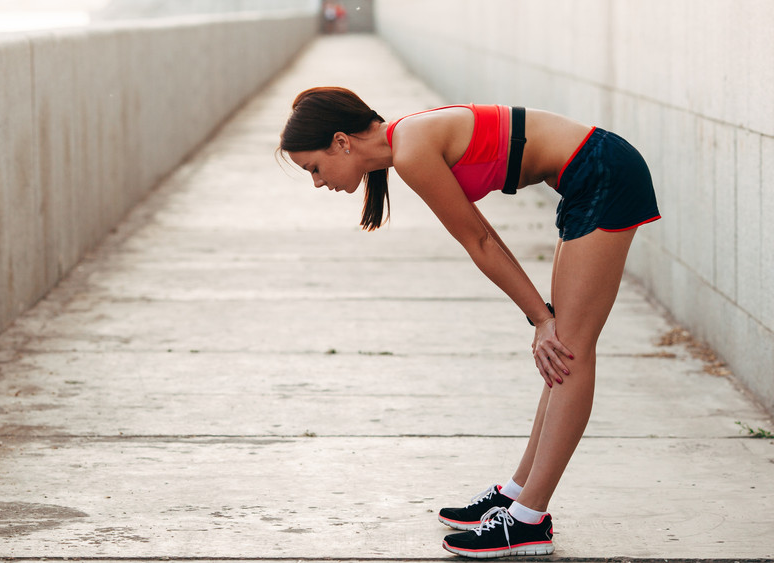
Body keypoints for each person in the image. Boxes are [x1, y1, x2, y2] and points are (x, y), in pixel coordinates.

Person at [278, 87, 660, 558]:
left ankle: (528, 520)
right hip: (590, 175)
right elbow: (482, 239)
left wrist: (541, 318)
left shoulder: (412, 149)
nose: (317, 182)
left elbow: (479, 240)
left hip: (602, 171)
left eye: (313, 168)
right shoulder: (406, 142)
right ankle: (519, 494)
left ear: (341, 142)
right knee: (564, 347)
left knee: (568, 350)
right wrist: (541, 319)